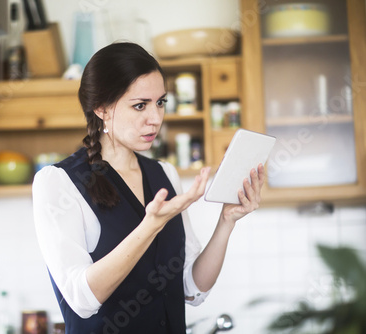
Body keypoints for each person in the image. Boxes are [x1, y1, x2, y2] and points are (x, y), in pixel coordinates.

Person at [32, 42, 264, 334]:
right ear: (102, 108)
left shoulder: (164, 173)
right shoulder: (59, 181)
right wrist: (150, 226)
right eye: (140, 105)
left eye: (160, 102)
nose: (155, 118)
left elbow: (192, 288)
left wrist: (226, 221)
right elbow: (82, 298)